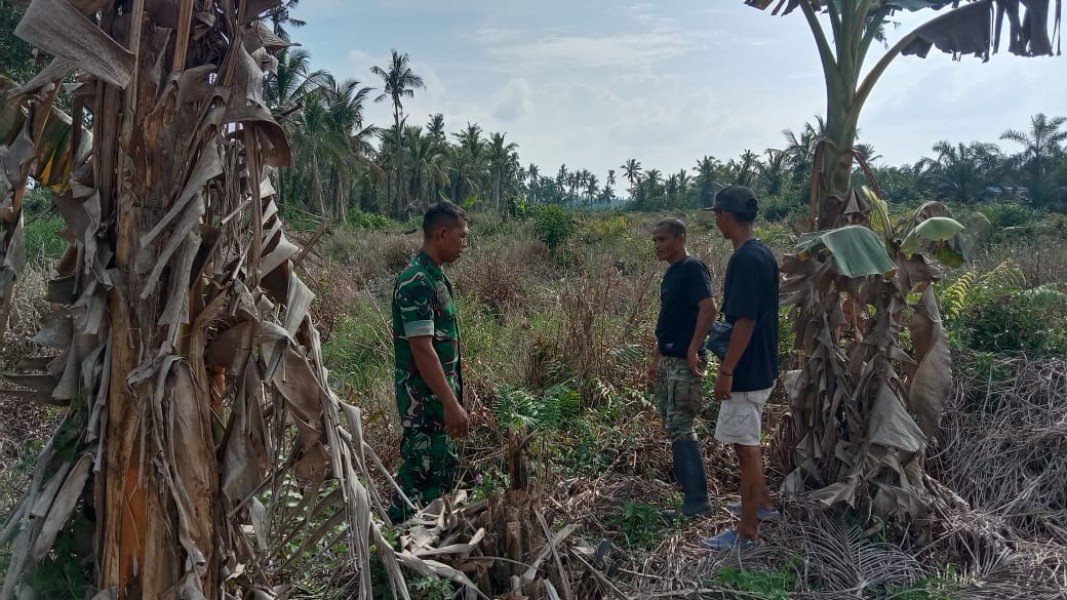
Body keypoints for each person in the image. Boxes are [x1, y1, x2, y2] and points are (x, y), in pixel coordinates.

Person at [701, 186, 781, 550]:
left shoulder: (745, 260)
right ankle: (762, 504)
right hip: (760, 366)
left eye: (716, 214)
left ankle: (747, 532)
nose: (716, 220)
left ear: (726, 216)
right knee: (745, 443)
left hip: (745, 372)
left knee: (746, 448)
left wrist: (726, 370)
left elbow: (744, 322)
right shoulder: (761, 252)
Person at [388, 202, 471, 523]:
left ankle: (427, 543)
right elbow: (422, 349)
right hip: (424, 404)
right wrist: (451, 404)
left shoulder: (433, 277)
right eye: (461, 237)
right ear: (441, 234)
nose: (464, 243)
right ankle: (390, 554)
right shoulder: (417, 282)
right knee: (416, 480)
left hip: (435, 404)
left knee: (439, 475)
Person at [649, 218, 717, 519]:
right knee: (672, 424)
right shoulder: (671, 274)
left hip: (684, 361)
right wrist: (656, 358)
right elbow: (669, 320)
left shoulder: (692, 269)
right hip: (669, 359)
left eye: (663, 239)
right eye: (655, 240)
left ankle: (697, 502)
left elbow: (709, 308)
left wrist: (693, 349)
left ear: (680, 239)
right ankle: (690, 498)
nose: (658, 245)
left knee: (681, 426)